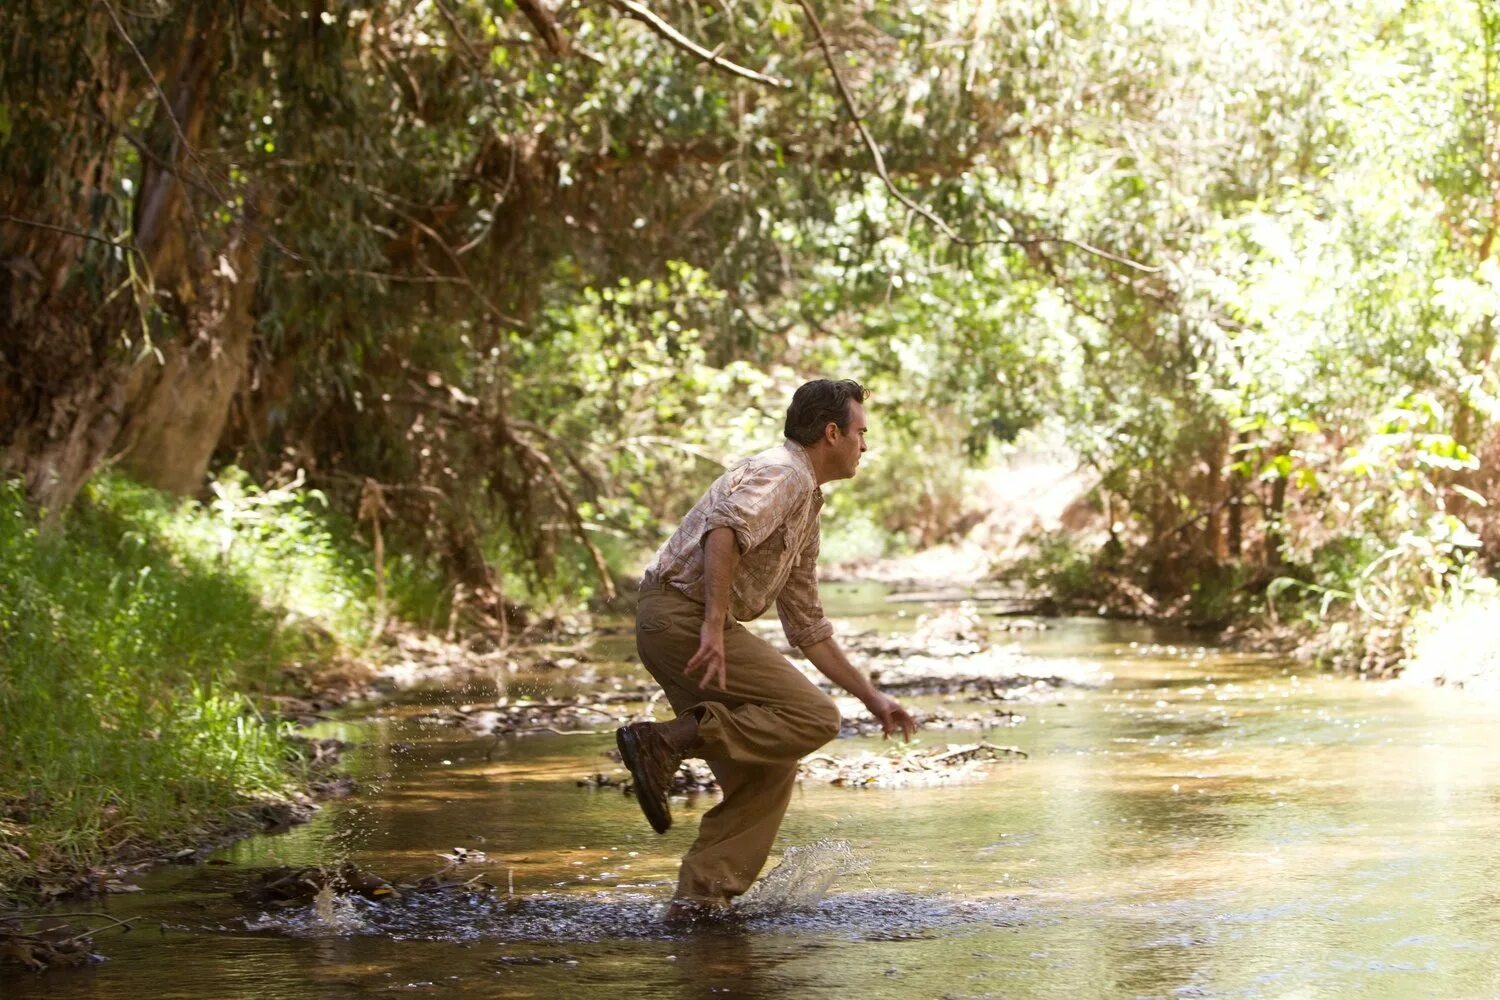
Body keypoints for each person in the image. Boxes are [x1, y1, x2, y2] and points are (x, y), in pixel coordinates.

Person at [616, 377, 917, 921]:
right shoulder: (783, 473)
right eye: (860, 433)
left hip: (674, 622)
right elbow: (723, 532)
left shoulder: (805, 501)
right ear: (832, 433)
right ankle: (662, 741)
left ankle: (700, 901)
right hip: (683, 619)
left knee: (770, 767)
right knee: (812, 716)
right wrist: (712, 626)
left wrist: (873, 697)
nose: (864, 446)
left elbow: (807, 625)